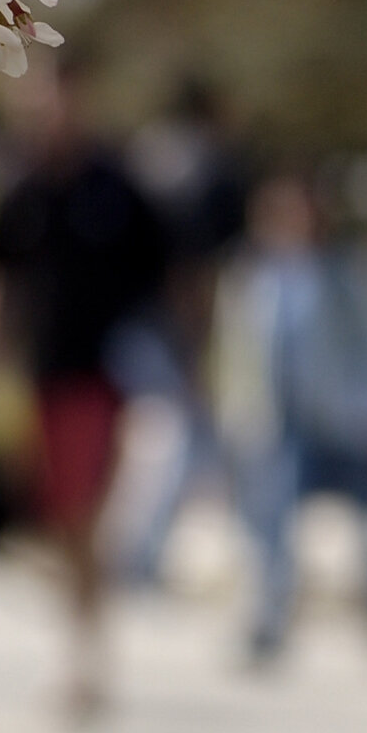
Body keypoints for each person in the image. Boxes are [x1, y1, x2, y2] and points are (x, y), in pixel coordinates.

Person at [0, 57, 168, 721]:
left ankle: (86, 661)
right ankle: (82, 644)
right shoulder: (19, 189)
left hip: (102, 378)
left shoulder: (116, 186)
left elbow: (167, 279)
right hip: (38, 377)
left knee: (82, 515)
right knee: (56, 525)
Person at [214, 171, 367, 667]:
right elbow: (240, 356)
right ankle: (269, 623)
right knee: (272, 531)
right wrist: (237, 419)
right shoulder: (255, 277)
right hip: (281, 424)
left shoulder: (353, 270)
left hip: (348, 421)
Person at [113, 75, 249, 590]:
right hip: (165, 322)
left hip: (126, 317)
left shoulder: (148, 154)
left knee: (165, 438)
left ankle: (143, 552)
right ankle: (140, 556)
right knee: (182, 437)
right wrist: (197, 346)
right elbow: (193, 266)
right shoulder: (208, 170)